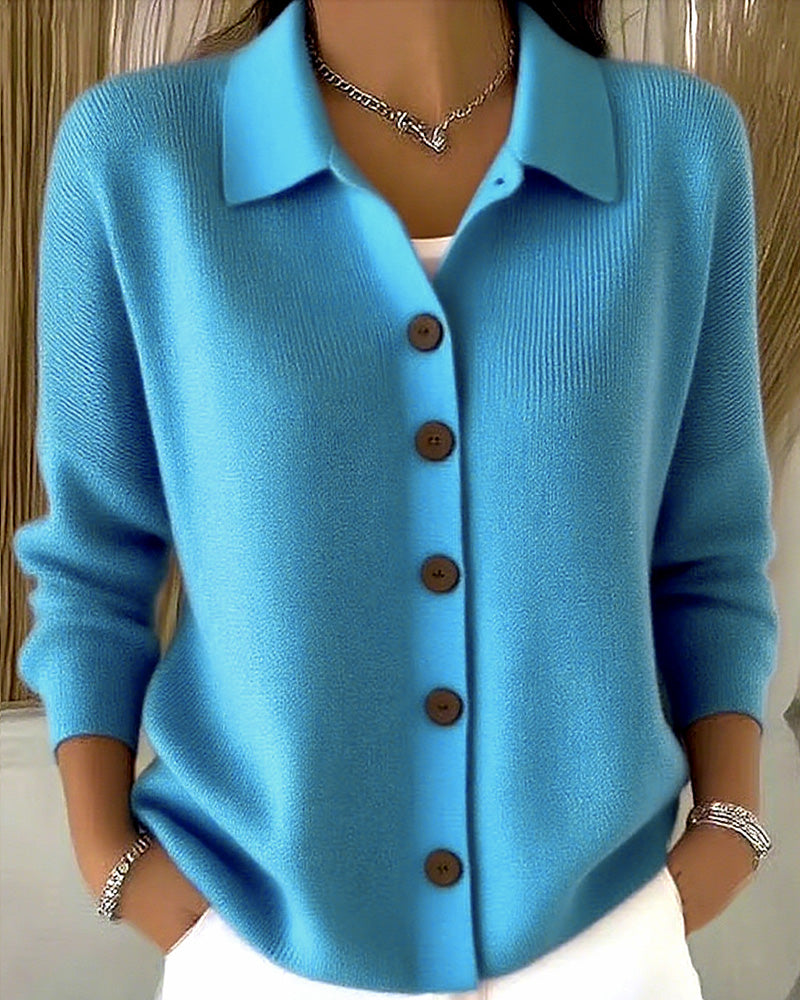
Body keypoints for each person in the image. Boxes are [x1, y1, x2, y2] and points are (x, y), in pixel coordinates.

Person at [13, 1, 778, 998]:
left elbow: (708, 548)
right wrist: (110, 859)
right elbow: (93, 561)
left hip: (606, 939)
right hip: (258, 942)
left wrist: (728, 828)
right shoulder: (140, 159)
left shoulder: (676, 151)